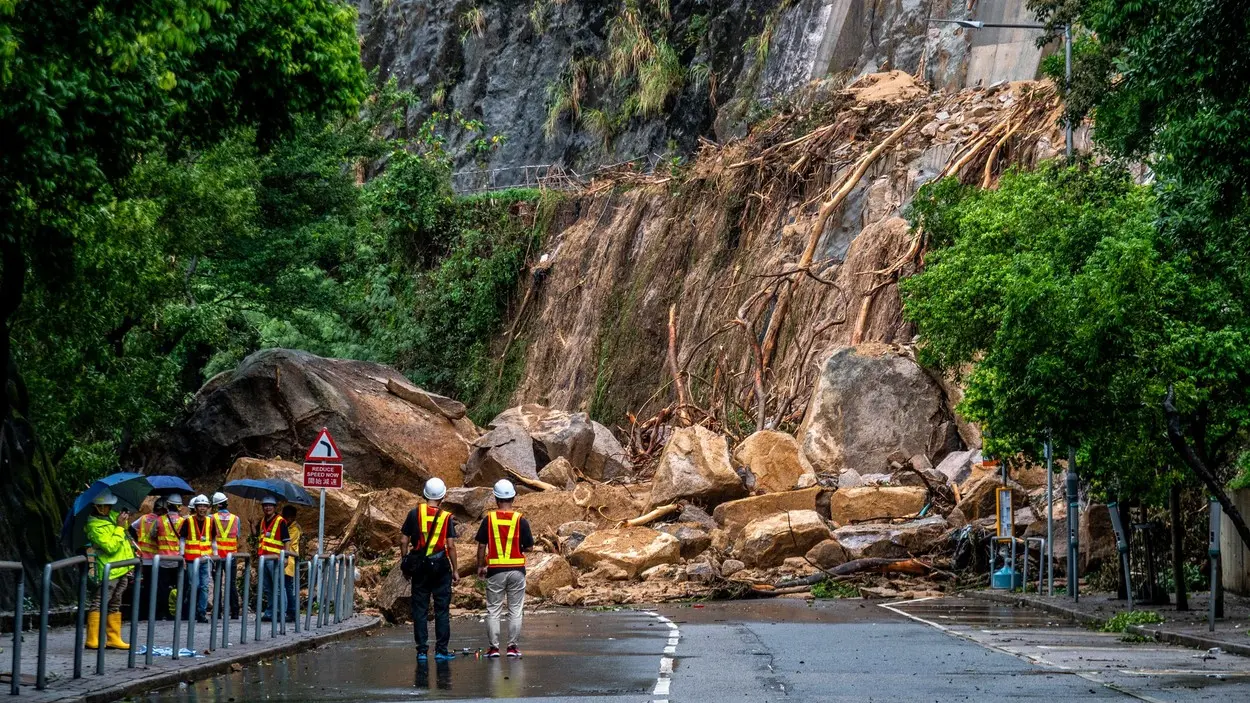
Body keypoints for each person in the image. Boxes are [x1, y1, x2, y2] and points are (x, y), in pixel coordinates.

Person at [400, 477, 459, 662]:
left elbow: (403, 540)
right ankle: (441, 651)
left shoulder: (414, 513)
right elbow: (451, 546)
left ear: (425, 494)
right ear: (442, 496)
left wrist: (405, 561)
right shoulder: (446, 517)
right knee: (442, 609)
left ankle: (422, 651)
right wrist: (456, 569)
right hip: (440, 565)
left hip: (419, 567)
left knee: (420, 609)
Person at [475, 479, 532, 658]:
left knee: (493, 610)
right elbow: (529, 547)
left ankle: (493, 648)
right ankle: (512, 647)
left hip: (495, 570)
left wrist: (480, 566)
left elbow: (481, 546)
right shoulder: (520, 520)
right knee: (515, 610)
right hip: (517, 570)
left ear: (496, 498)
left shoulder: (489, 519)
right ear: (513, 497)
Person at [84, 489, 135, 649]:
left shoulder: (111, 516)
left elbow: (123, 530)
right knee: (100, 601)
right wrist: (120, 527)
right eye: (108, 506)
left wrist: (124, 519)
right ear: (99, 507)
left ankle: (113, 638)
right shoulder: (93, 525)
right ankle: (92, 639)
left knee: (115, 603)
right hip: (109, 569)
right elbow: (110, 546)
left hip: (122, 567)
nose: (111, 508)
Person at [179, 494, 215, 622]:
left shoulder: (211, 521)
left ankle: (201, 612)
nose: (202, 508)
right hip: (191, 559)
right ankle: (190, 611)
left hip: (206, 559)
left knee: (204, 586)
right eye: (200, 506)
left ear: (208, 508)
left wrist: (214, 554)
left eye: (204, 506)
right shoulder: (188, 521)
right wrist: (182, 555)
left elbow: (213, 539)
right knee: (195, 585)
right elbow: (182, 539)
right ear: (195, 507)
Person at [255, 496, 290, 621]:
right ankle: (270, 612)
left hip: (275, 559)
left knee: (279, 587)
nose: (267, 507)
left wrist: (285, 557)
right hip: (264, 558)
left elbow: (286, 541)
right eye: (265, 505)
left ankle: (281, 612)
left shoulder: (281, 521)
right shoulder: (263, 521)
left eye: (270, 505)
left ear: (275, 507)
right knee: (268, 588)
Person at [130, 497, 165, 619]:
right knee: (154, 587)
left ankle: (142, 612)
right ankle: (154, 613)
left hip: (142, 556)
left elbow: (131, 528)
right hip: (155, 558)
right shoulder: (161, 520)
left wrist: (137, 540)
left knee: (144, 586)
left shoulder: (143, 518)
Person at [153, 494, 185, 620]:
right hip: (178, 560)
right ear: (179, 506)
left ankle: (162, 613)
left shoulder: (159, 520)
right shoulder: (183, 521)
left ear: (168, 505)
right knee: (178, 588)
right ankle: (175, 613)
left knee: (163, 588)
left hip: (163, 560)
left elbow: (153, 534)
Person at [211, 492, 241, 614]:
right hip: (231, 556)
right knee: (231, 584)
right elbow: (237, 536)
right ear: (226, 503)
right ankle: (234, 611)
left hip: (217, 556)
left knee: (217, 583)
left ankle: (217, 611)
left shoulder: (211, 518)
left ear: (216, 505)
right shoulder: (236, 518)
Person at [281, 505, 301, 622]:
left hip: (289, 561)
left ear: (293, 518)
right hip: (286, 561)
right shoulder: (289, 527)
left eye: (288, 518)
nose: (286, 520)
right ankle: (288, 610)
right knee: (285, 587)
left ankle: (291, 611)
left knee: (287, 587)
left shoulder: (294, 529)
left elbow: (286, 541)